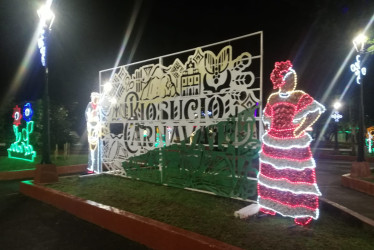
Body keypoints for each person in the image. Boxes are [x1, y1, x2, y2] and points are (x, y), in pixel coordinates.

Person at [258, 60, 325, 226]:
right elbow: (266, 117)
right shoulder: (272, 98)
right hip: (273, 141)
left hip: (293, 142)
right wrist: (270, 128)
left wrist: (300, 127)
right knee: (272, 175)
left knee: (295, 177)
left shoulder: (299, 96)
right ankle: (269, 206)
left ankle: (301, 213)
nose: (288, 82)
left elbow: (315, 111)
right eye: (285, 79)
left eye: (290, 79)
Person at [86, 92, 101, 173]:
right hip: (91, 129)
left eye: (96, 97)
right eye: (94, 97)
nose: (95, 99)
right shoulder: (89, 105)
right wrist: (92, 115)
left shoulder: (99, 106)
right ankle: (91, 167)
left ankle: (96, 168)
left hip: (98, 129)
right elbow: (87, 116)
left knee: (97, 150)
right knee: (92, 149)